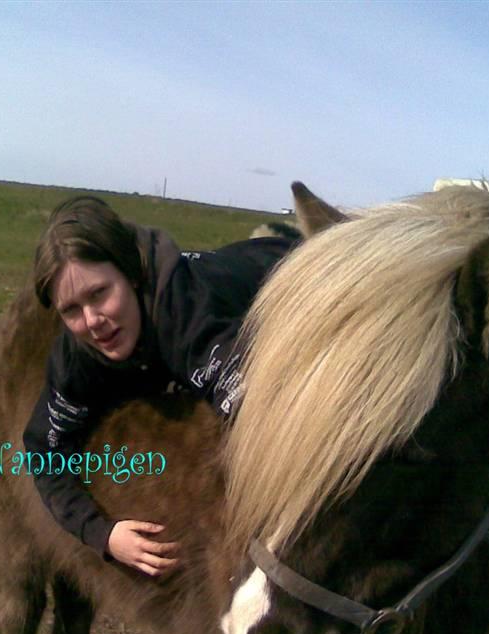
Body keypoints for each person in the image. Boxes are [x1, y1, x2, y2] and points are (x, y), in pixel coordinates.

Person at [22, 196, 294, 577]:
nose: (93, 320)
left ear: (131, 275)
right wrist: (103, 534)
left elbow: (250, 403)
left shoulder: (183, 309)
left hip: (289, 269)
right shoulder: (76, 356)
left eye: (100, 293)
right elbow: (43, 452)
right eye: (71, 309)